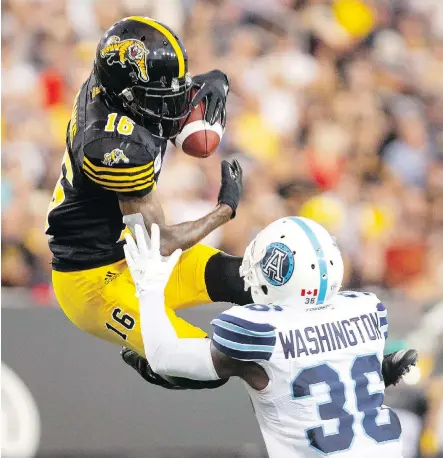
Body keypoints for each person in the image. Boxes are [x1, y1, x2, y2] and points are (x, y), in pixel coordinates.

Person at [46, 16, 250, 390]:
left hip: (134, 255)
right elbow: (161, 242)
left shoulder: (115, 88)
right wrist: (224, 210)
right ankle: (150, 361)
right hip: (94, 281)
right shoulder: (109, 148)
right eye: (161, 92)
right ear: (126, 94)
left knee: (249, 279)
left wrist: (202, 84)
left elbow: (153, 100)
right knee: (205, 366)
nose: (173, 100)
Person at [123, 217, 418, 457]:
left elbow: (163, 356)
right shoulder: (366, 308)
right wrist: (379, 374)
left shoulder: (260, 331)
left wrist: (149, 287)